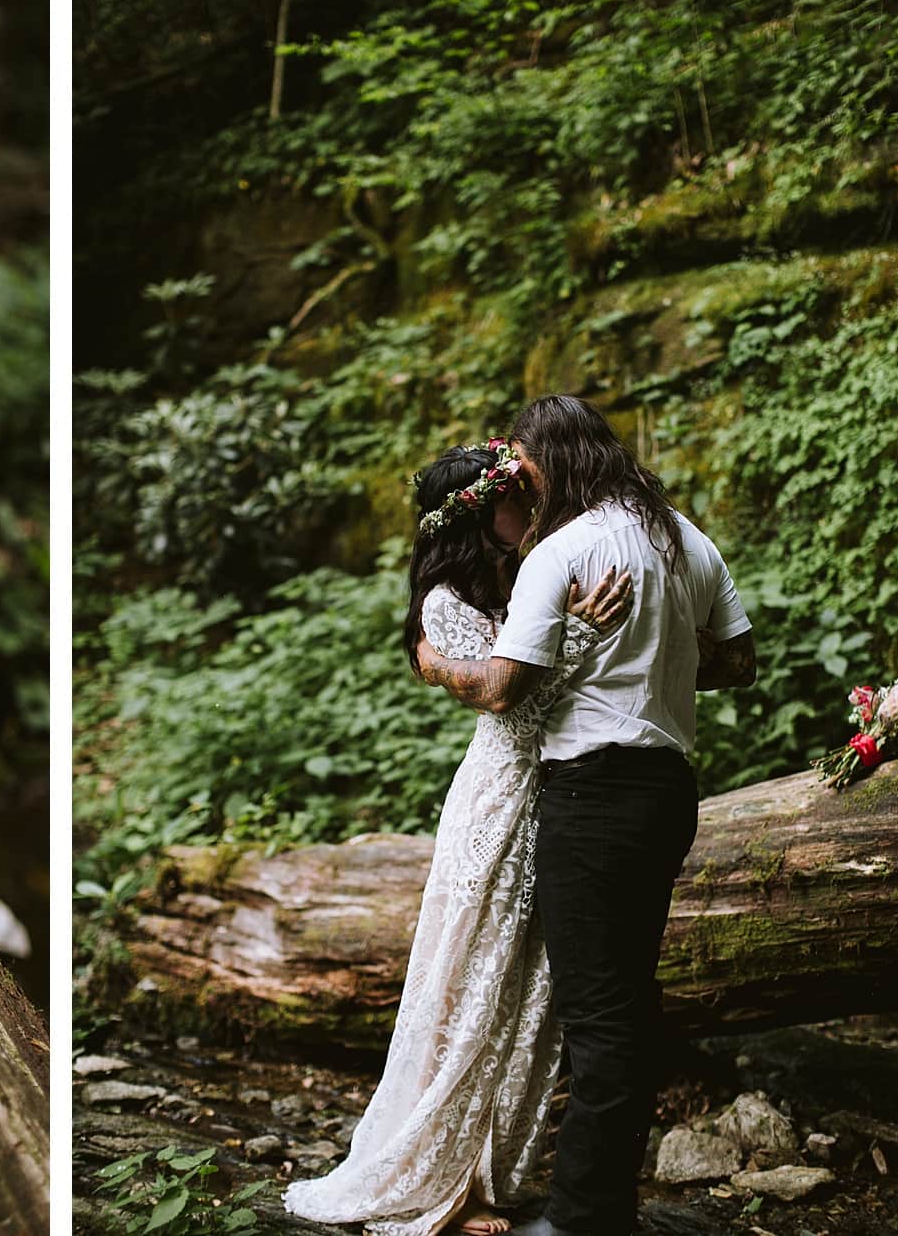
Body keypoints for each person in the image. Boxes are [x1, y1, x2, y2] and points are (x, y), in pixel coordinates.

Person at [411, 396, 757, 1236]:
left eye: (523, 469)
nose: (518, 487)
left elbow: (498, 686)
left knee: (600, 1014)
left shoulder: (562, 551)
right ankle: (596, 1205)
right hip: (668, 794)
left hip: (592, 795)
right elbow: (740, 662)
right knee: (626, 1001)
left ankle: (581, 1219)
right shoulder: (686, 536)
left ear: (555, 461)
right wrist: (656, 661)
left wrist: (432, 666)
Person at [284, 438, 634, 1235]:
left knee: (522, 993)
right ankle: (444, 1182)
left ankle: (488, 1166)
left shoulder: (525, 571)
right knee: (468, 984)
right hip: (498, 803)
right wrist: (579, 635)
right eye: (515, 495)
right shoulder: (447, 601)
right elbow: (512, 705)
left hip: (555, 797)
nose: (530, 506)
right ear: (479, 513)